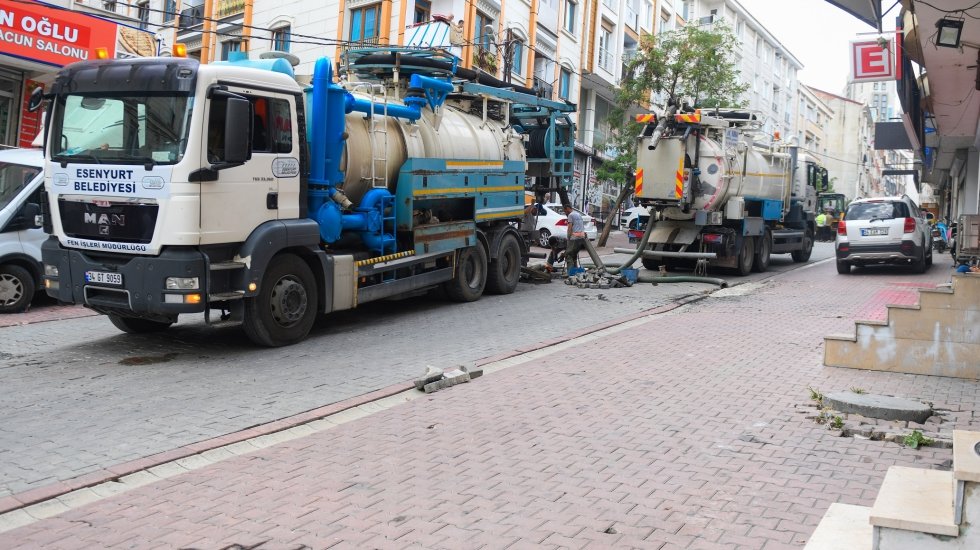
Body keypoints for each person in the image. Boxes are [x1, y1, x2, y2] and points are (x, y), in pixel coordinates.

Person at [564, 204, 586, 268]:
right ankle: (575, 270)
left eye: (565, 211)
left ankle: (570, 272)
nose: (565, 212)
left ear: (568, 208)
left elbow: (570, 227)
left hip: (575, 237)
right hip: (581, 237)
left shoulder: (570, 215)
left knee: (569, 254)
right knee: (574, 254)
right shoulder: (578, 214)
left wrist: (568, 237)